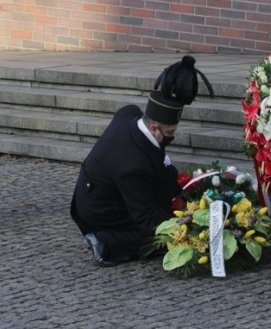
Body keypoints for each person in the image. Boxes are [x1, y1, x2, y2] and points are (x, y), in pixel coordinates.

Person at [70, 56, 214, 266]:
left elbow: (158, 164)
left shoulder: (130, 114)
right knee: (155, 239)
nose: (172, 137)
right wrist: (182, 231)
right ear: (154, 128)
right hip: (99, 210)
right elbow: (145, 216)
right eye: (170, 133)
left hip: (108, 187)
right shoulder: (132, 167)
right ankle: (104, 242)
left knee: (167, 190)